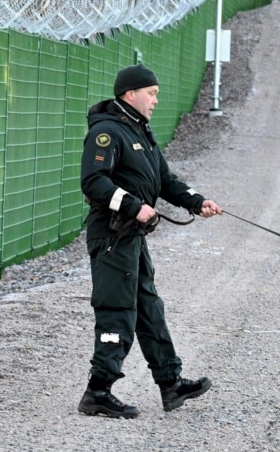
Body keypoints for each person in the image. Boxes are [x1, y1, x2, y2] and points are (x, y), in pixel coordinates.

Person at [78, 63, 223, 419]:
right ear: (130, 94)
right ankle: (97, 392)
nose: (156, 100)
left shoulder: (140, 133)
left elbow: (165, 180)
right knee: (117, 310)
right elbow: (93, 181)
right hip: (112, 234)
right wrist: (133, 206)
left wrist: (196, 201)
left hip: (132, 237)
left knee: (149, 308)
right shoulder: (108, 132)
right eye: (151, 93)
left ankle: (170, 385)